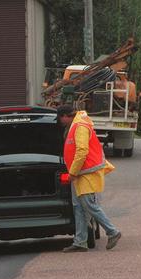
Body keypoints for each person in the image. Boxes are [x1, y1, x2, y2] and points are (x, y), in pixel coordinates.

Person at [57, 105, 122, 252]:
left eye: (60, 119)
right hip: (80, 174)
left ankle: (113, 232)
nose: (60, 122)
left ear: (65, 116)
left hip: (86, 172)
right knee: (78, 207)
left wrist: (72, 173)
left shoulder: (80, 126)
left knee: (89, 205)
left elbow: (82, 151)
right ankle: (80, 242)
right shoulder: (75, 125)